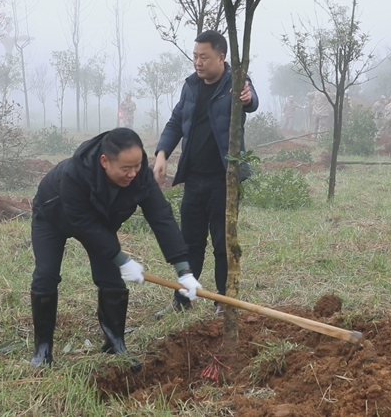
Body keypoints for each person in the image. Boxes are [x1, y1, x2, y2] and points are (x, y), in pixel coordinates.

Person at [29, 127, 202, 371]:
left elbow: (161, 216)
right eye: (125, 168)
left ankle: (115, 345)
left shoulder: (139, 176)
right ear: (104, 161)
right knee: (46, 276)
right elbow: (84, 224)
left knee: (111, 280)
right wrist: (122, 259)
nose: (133, 174)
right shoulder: (75, 173)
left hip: (99, 222)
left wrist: (183, 269)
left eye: (138, 165)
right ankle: (43, 350)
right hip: (52, 217)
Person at [153, 30, 258, 319]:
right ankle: (183, 298)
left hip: (224, 179)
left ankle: (224, 301)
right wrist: (162, 153)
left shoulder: (235, 83)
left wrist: (247, 97)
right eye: (195, 56)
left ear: (221, 57)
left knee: (223, 243)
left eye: (204, 57)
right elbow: (176, 121)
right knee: (190, 243)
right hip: (194, 178)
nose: (198, 63)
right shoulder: (190, 87)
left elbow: (251, 101)